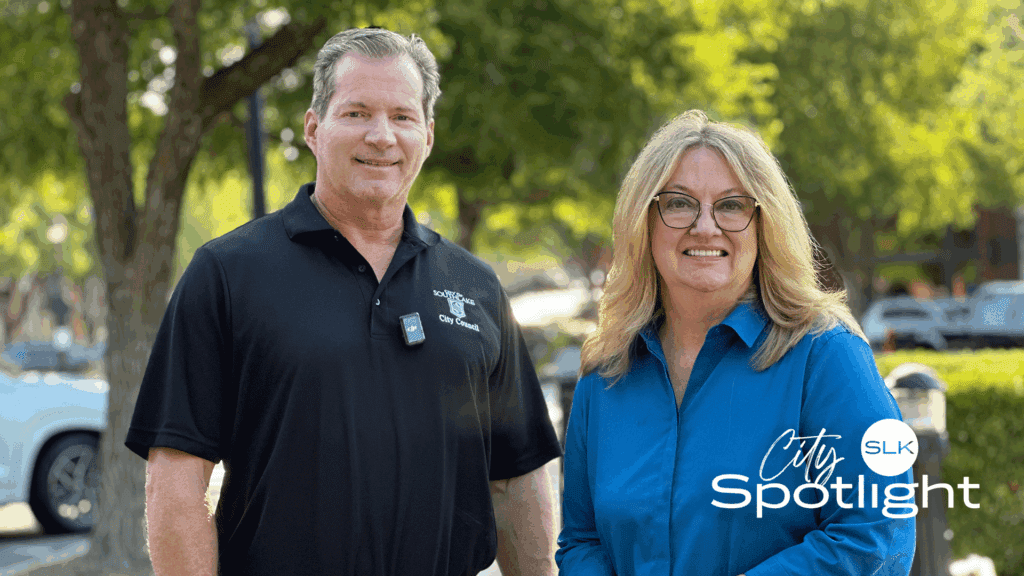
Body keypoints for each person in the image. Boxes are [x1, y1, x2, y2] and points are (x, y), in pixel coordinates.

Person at [126, 27, 562, 576]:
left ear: (427, 135)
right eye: (357, 113)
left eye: (402, 117)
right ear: (314, 129)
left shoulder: (476, 286)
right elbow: (176, 480)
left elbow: (515, 478)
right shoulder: (227, 274)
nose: (381, 136)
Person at [556, 110, 916, 575]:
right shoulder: (606, 374)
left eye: (732, 206)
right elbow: (582, 541)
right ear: (643, 223)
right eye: (679, 203)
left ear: (765, 223)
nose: (705, 226)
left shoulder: (826, 356)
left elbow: (875, 535)